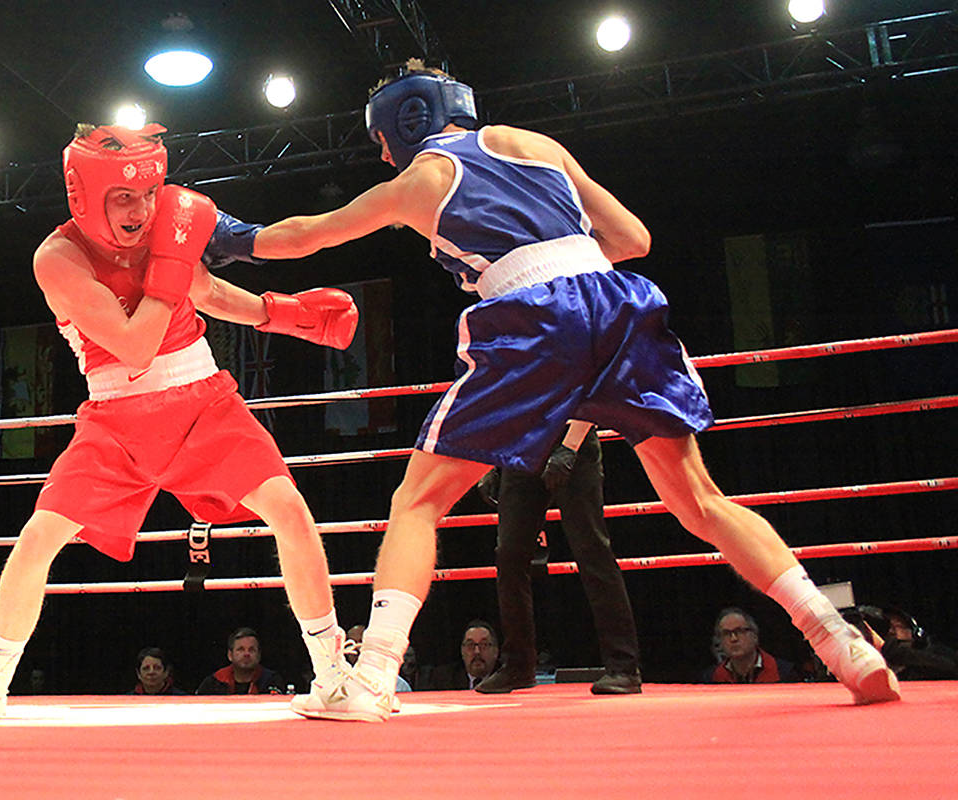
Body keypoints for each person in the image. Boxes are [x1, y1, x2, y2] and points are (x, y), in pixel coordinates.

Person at [202, 60, 900, 720]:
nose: (384, 156)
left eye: (383, 141)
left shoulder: (420, 181)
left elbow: (305, 237)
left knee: (417, 501)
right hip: (619, 304)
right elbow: (631, 236)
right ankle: (838, 638)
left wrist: (227, 236)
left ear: (405, 123)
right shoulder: (531, 142)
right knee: (700, 501)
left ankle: (374, 678)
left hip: (532, 318)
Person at [0, 123, 358, 718]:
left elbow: (203, 290)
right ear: (85, 196)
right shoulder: (58, 259)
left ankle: (334, 675)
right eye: (124, 197)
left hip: (204, 399)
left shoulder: (165, 223)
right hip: (116, 419)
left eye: (149, 194)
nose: (141, 209)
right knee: (40, 536)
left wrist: (281, 315)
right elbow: (134, 345)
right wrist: (172, 263)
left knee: (287, 508)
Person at [473, 421, 642, 695]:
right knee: (509, 555)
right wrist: (493, 459)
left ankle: (623, 668)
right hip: (522, 443)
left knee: (592, 551)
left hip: (571, 434)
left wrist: (570, 447)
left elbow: (587, 385)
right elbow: (507, 395)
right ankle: (517, 665)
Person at [701, 607, 801, 684]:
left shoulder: (784, 673)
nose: (733, 639)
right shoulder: (711, 678)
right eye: (726, 633)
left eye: (739, 631)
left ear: (754, 636)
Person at [195, 627, 286, 695]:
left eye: (251, 650)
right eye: (241, 649)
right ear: (230, 655)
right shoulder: (214, 682)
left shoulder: (271, 680)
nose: (246, 654)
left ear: (259, 655)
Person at [423, 620, 499, 690]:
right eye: (470, 645)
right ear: (462, 651)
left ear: (496, 651)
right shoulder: (442, 680)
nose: (477, 651)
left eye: (484, 645)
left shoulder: (507, 681)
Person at [346, 624, 411, 692]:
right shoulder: (339, 682)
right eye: (352, 643)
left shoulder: (398, 685)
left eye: (361, 641)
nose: (356, 647)